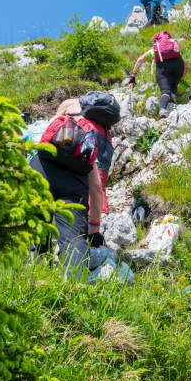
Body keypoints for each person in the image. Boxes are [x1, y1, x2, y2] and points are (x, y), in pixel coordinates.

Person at [30, 115, 105, 277]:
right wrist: (94, 229)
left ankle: (34, 281)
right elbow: (97, 187)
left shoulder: (46, 127)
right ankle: (74, 288)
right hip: (73, 184)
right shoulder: (85, 141)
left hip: (39, 171)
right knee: (73, 240)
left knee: (38, 233)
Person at [56, 95, 115, 215]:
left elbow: (56, 123)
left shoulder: (67, 104)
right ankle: (103, 217)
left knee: (85, 182)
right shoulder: (96, 110)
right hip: (105, 139)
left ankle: (89, 220)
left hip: (86, 135)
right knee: (99, 183)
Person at [129, 31, 187, 118]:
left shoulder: (156, 49)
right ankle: (172, 101)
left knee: (165, 92)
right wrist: (181, 76)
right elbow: (185, 64)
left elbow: (140, 60)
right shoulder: (174, 46)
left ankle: (163, 109)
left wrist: (133, 76)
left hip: (163, 68)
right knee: (173, 85)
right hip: (178, 66)